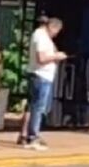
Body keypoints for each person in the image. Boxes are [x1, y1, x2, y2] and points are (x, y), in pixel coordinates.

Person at [18, 17, 66, 150]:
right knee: (38, 108)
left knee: (32, 106)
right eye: (56, 31)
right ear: (52, 27)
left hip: (39, 75)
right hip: (41, 75)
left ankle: (24, 135)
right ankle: (33, 137)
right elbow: (42, 58)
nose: (56, 34)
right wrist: (57, 56)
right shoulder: (42, 37)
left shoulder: (40, 36)